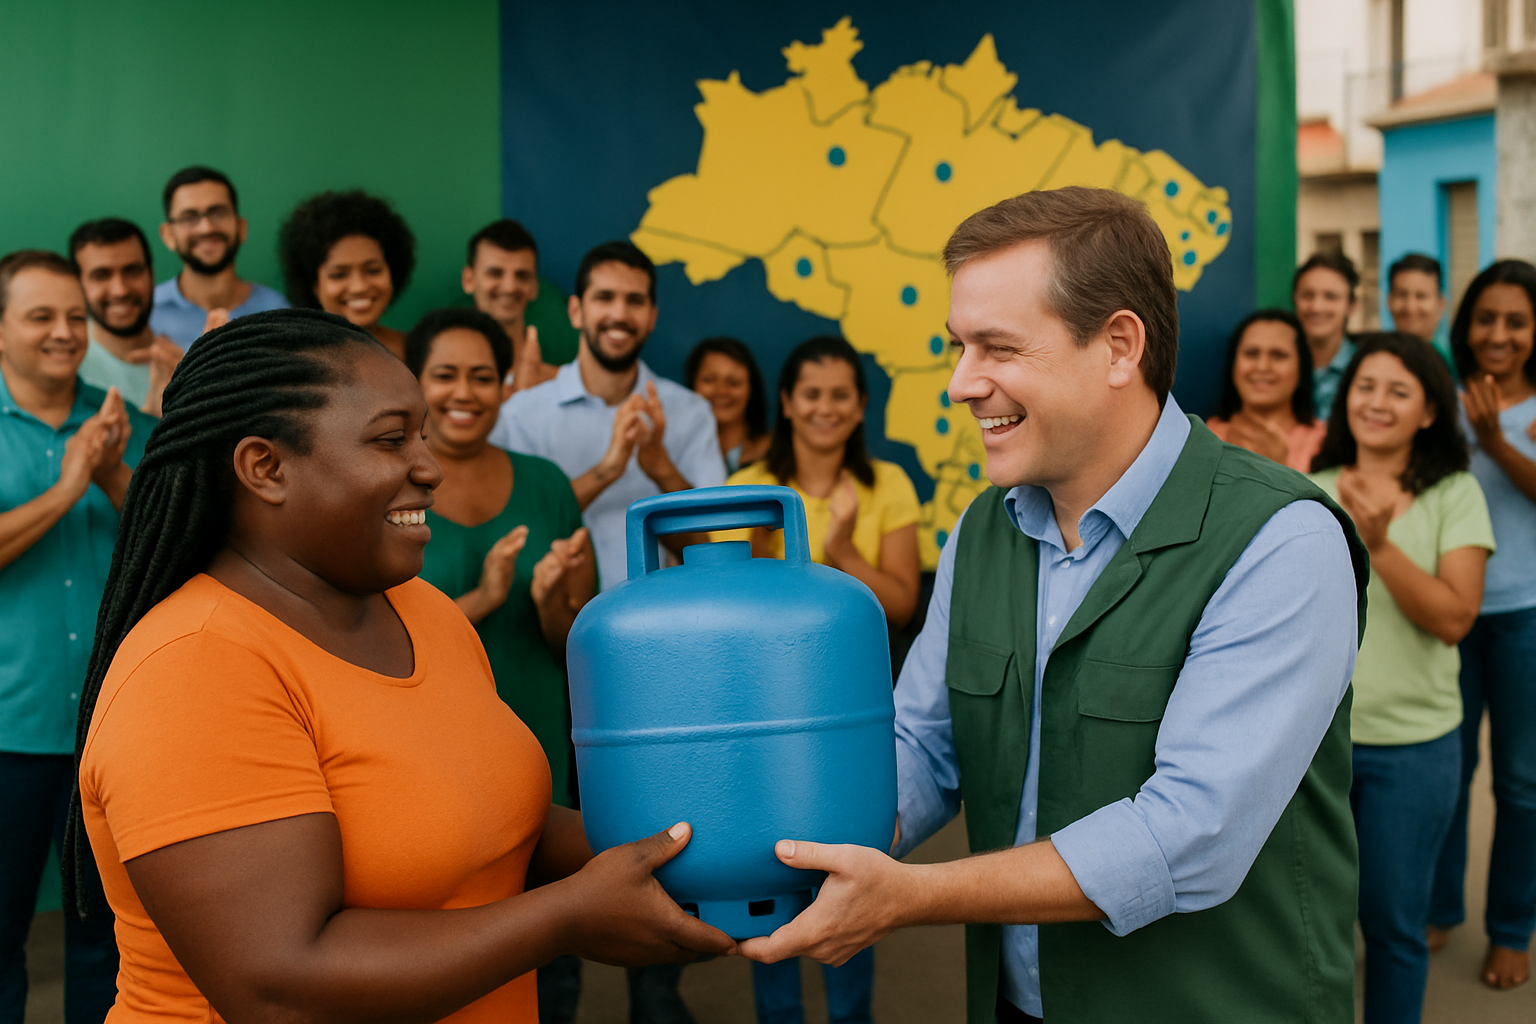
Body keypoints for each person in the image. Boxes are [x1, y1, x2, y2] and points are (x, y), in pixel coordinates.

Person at [735, 187, 1368, 1024]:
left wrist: (908, 896)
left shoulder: (1282, 539)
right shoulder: (982, 530)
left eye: (997, 347)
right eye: (960, 347)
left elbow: (1190, 837)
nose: (961, 384)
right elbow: (921, 745)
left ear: (1117, 346)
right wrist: (790, 857)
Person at [67, 308, 734, 1024]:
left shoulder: (425, 611)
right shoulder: (192, 668)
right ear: (265, 467)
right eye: (391, 440)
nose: (429, 467)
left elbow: (500, 831)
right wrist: (568, 918)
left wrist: (712, 850)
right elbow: (279, 987)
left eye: (420, 435)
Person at [1308, 332, 1493, 1024]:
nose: (1376, 402)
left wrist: (1378, 545)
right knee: (1310, 931)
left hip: (1413, 750)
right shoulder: (1309, 491)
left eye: (1398, 390)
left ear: (1428, 412)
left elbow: (1454, 618)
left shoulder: (1455, 493)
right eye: (1364, 385)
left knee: (1392, 929)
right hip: (1315, 752)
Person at [0, 249, 155, 1023]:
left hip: (115, 732)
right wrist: (68, 487)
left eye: (74, 317)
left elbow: (178, 543)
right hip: (8, 733)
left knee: (107, 940)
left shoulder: (129, 427)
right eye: (40, 317)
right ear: (1, 329)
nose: (64, 333)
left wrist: (109, 472)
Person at [408, 307, 595, 806]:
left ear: (505, 387)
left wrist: (550, 601)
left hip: (536, 737)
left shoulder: (547, 484)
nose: (465, 393)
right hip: (420, 741)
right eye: (445, 376)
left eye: (483, 377)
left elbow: (576, 652)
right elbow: (367, 640)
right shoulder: (391, 485)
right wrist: (484, 598)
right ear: (414, 385)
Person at [490, 241, 726, 594]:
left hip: (661, 626)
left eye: (634, 301)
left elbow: (712, 550)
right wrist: (607, 471)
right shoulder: (521, 415)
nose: (619, 313)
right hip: (549, 629)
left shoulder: (690, 413)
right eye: (604, 297)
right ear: (575, 311)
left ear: (652, 317)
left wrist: (661, 468)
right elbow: (514, 533)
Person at [1429, 259, 1536, 990]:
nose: (1498, 334)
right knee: (1448, 771)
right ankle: (1440, 907)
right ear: (1466, 325)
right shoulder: (1443, 395)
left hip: (1525, 616)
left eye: (1517, 321)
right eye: (1486, 318)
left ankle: (1510, 928)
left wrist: (1497, 442)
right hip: (1446, 614)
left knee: (1523, 782)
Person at [725, 335, 920, 630]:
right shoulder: (745, 488)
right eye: (812, 395)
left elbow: (901, 609)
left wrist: (842, 550)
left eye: (840, 396)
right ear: (787, 403)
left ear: (860, 406)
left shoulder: (890, 484)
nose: (826, 409)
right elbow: (728, 603)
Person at [152, 166, 286, 348]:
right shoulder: (147, 314)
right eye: (189, 217)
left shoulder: (277, 311)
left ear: (241, 228)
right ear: (168, 235)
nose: (206, 228)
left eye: (218, 213)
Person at [278, 190, 415, 360]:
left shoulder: (418, 352)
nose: (359, 287)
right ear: (313, 285)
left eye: (373, 270)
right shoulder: (295, 359)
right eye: (339, 275)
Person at [69, 219, 183, 416]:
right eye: (101, 276)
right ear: (77, 285)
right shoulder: (65, 364)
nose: (120, 290)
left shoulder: (184, 356)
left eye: (132, 271)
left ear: (151, 274)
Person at [1205, 309, 1326, 473]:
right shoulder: (1204, 437)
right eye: (1251, 354)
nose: (1262, 366)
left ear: (1301, 367)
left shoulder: (1326, 442)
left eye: (1278, 355)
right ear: (1233, 363)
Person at [462, 219, 561, 392]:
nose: (509, 287)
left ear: (534, 287)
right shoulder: (441, 382)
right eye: (495, 273)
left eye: (522, 275)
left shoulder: (555, 384)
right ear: (469, 280)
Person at [685, 337, 771, 473]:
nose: (721, 391)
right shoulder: (676, 452)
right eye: (709, 380)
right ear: (691, 385)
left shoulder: (775, 453)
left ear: (751, 389)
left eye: (733, 382)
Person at [1294, 251, 1359, 418]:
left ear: (1351, 305)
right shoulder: (1279, 366)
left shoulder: (1364, 368)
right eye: (1307, 295)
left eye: (1331, 297)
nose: (1317, 307)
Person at [1387, 253, 1448, 347]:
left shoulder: (1457, 359)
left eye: (1421, 296)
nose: (1410, 307)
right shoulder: (1372, 359)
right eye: (1402, 295)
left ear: (1441, 304)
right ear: (1389, 301)